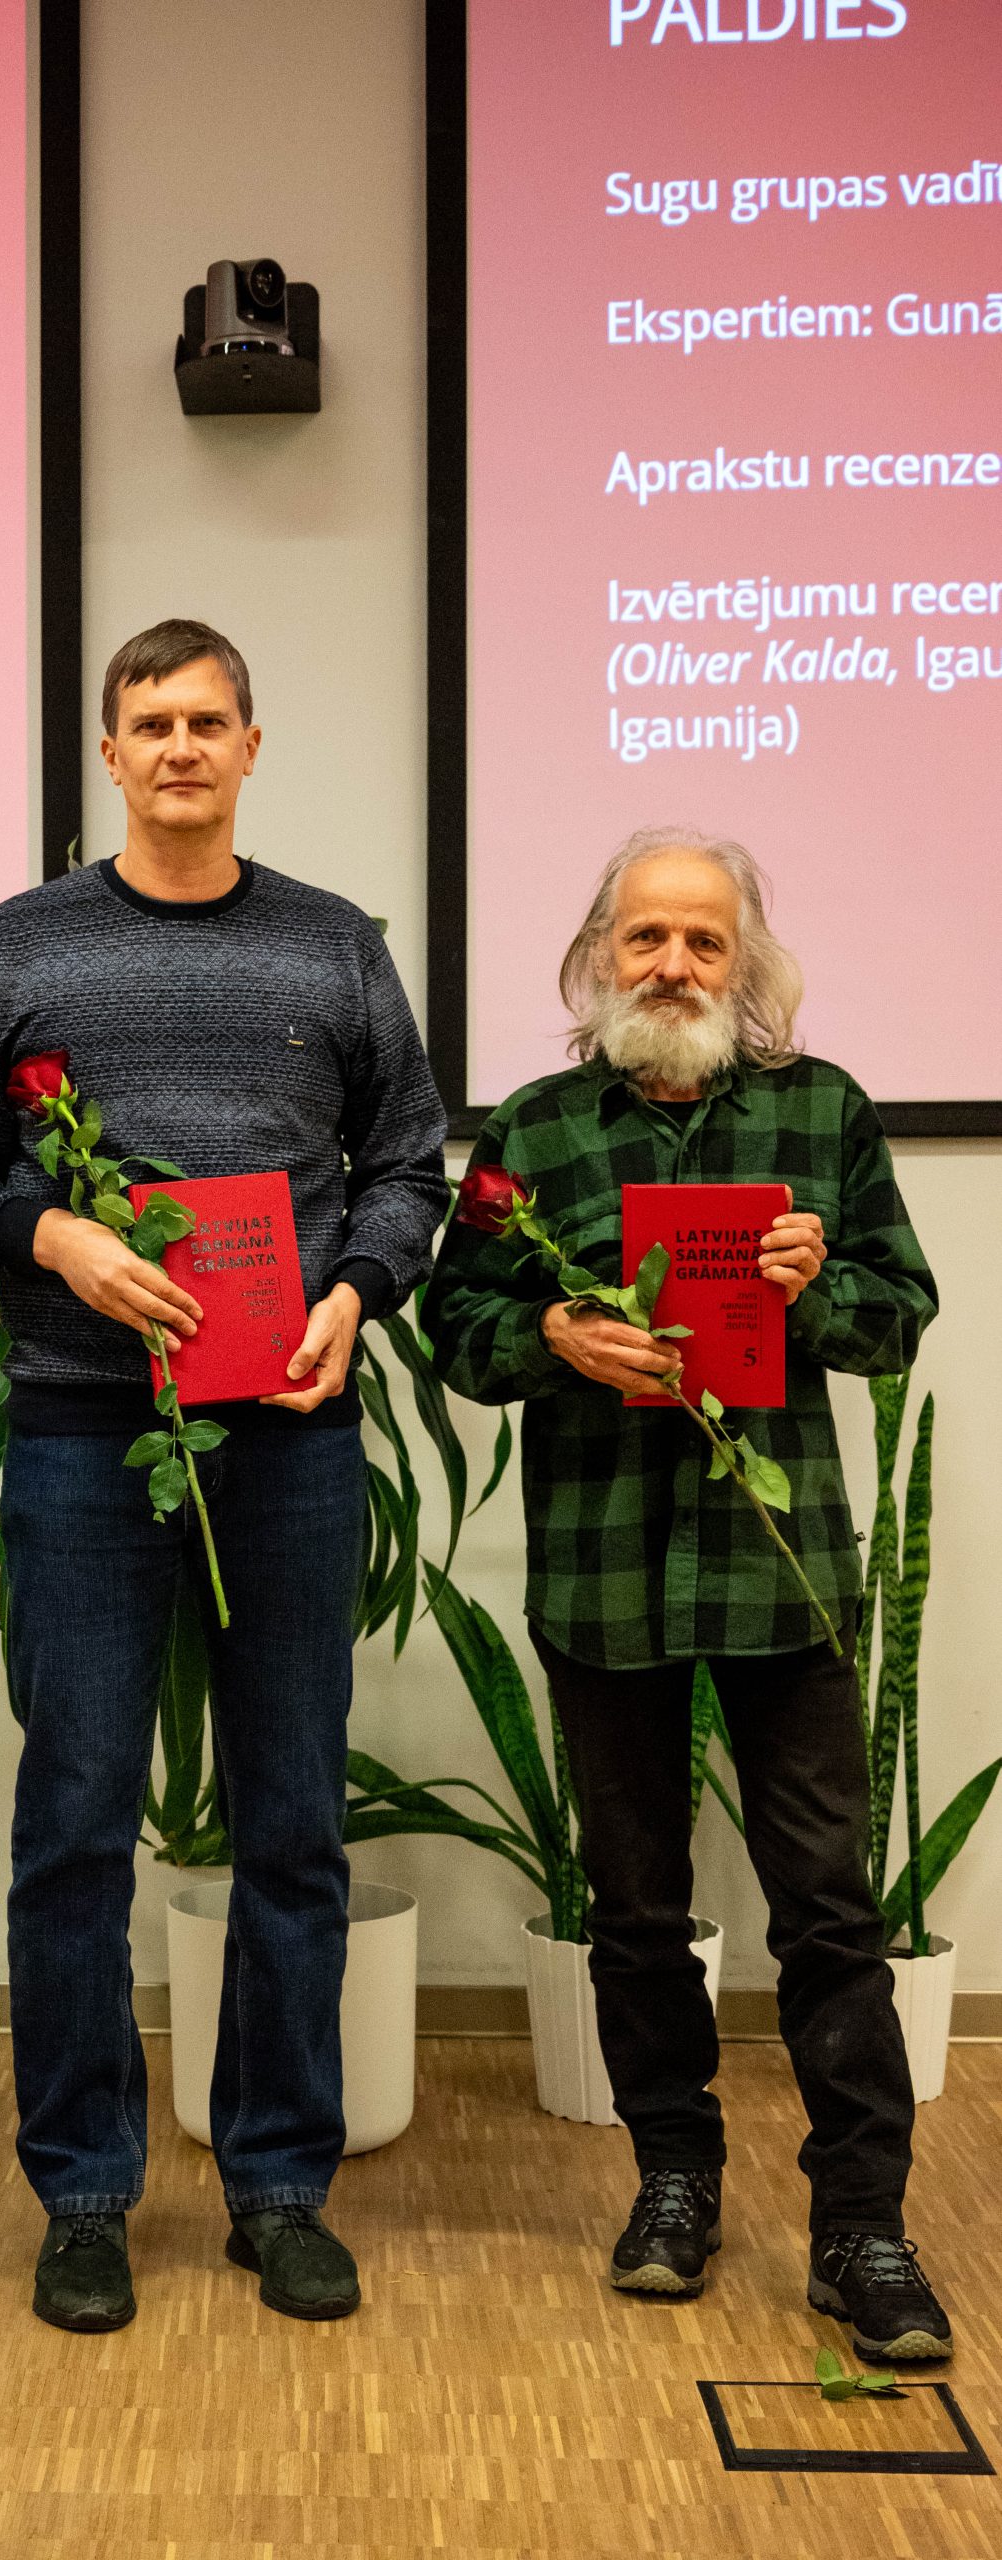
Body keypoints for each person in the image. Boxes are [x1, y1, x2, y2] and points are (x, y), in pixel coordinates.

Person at [0, 618, 447, 2332]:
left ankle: (279, 2185)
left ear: (250, 748)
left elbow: (408, 1170)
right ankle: (82, 2196)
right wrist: (48, 1234)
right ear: (110, 753)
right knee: (72, 1824)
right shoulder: (18, 946)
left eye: (209, 721)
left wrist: (355, 1295)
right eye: (152, 723)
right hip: (80, 1437)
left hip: (287, 1433)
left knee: (292, 1820)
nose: (182, 747)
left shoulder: (331, 947)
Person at [428, 824, 951, 2364]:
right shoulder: (530, 1132)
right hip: (605, 1578)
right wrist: (550, 1339)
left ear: (744, 961)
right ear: (599, 955)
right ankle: (672, 2181)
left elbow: (896, 1315)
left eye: (701, 940)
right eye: (644, 937)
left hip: (783, 1582)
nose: (670, 965)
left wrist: (814, 1285)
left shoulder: (820, 1111)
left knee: (829, 1913)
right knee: (638, 1912)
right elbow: (454, 1325)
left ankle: (861, 2228)